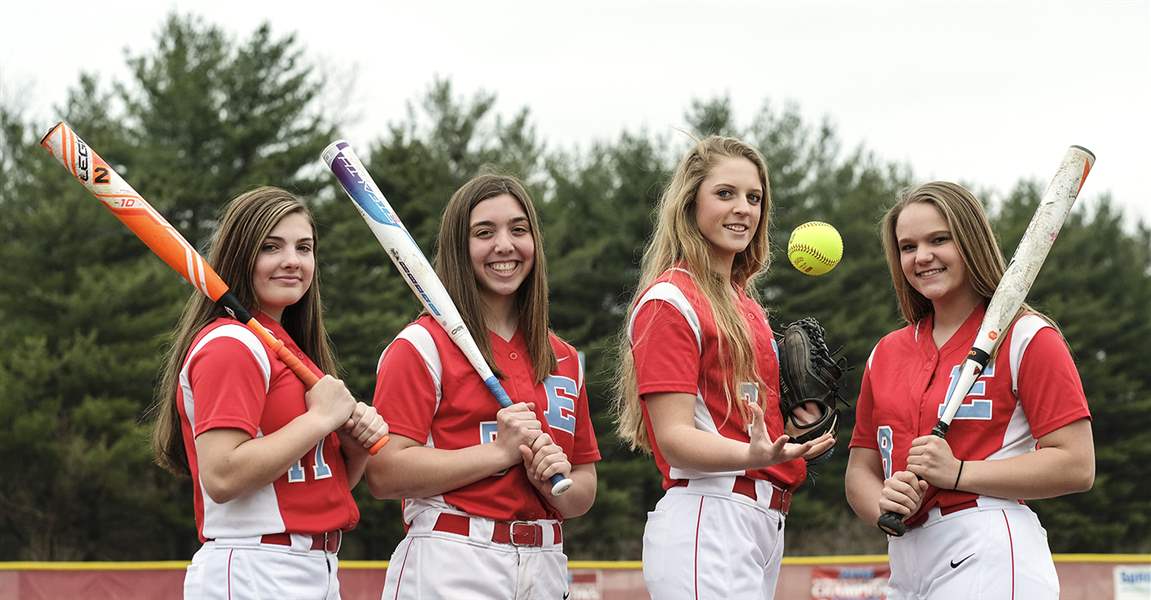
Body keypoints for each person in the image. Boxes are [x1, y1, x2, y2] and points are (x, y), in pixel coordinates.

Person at [844, 181, 1095, 599]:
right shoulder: (885, 353)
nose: (922, 256)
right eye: (908, 247)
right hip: (905, 556)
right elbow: (860, 471)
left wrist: (960, 472)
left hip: (989, 544)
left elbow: (1076, 464)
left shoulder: (1027, 336)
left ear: (971, 242)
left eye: (939, 240)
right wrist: (884, 503)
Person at [614, 135, 835, 600]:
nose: (743, 209)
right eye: (725, 193)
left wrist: (794, 435)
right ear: (690, 202)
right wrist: (756, 455)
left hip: (759, 520)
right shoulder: (670, 301)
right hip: (709, 517)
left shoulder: (745, 304)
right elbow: (675, 440)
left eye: (754, 198)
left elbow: (744, 424)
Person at [366, 174, 601, 599]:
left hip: (546, 565)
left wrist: (552, 481)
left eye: (518, 229)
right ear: (461, 248)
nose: (504, 245)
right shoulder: (421, 346)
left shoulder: (563, 357)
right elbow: (382, 473)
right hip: (453, 557)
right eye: (483, 232)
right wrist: (497, 454)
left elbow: (583, 489)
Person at [151, 186, 389, 599]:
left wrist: (354, 446)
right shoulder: (231, 344)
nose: (292, 261)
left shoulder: (293, 350)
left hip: (313, 567)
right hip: (254, 568)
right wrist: (318, 420)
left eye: (304, 247)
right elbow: (223, 475)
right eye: (271, 247)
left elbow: (322, 489)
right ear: (241, 256)